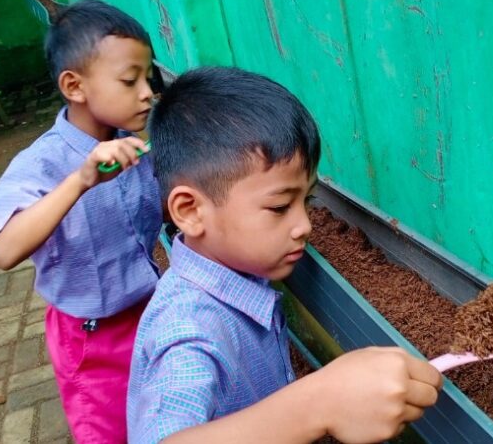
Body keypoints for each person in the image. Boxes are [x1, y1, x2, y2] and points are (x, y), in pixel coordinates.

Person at [127, 66, 442, 444]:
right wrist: (318, 404)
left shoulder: (238, 267)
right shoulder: (189, 333)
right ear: (191, 211)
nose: (304, 225)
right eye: (279, 207)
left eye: (306, 201)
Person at [0, 0, 163, 443]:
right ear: (74, 85)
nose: (147, 92)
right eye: (130, 80)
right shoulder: (39, 165)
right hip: (92, 342)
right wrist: (80, 180)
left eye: (148, 77)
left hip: (152, 313)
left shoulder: (133, 144)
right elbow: (3, 252)